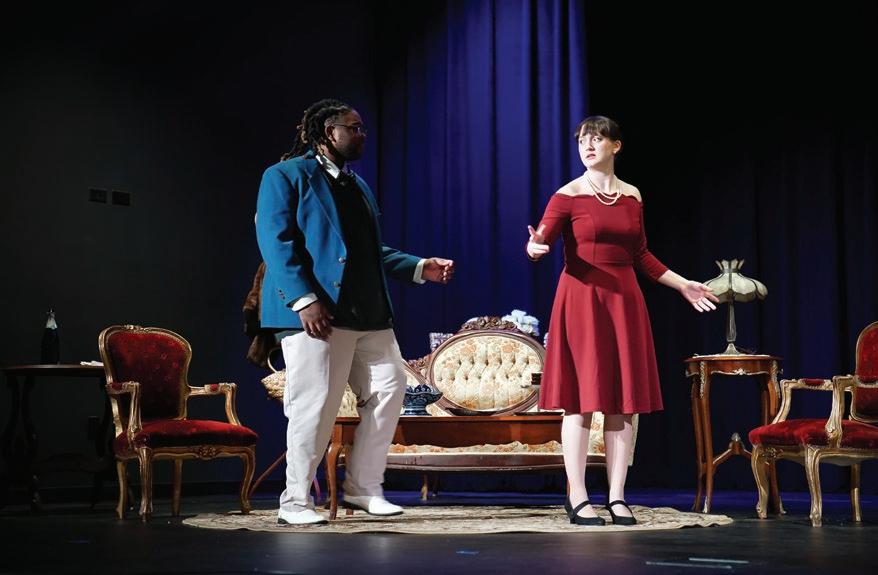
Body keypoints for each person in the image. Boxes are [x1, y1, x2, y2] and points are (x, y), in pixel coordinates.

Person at [256, 98, 454, 525]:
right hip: (318, 312)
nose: (362, 134)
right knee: (315, 406)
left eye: (362, 127)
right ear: (329, 133)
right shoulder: (286, 175)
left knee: (390, 389)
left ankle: (363, 489)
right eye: (354, 127)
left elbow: (365, 250)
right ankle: (295, 503)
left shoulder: (356, 184)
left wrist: (419, 266)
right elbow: (276, 241)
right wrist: (304, 299)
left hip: (368, 312)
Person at [525, 115, 718, 526]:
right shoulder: (567, 195)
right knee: (580, 401)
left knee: (622, 403)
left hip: (624, 301)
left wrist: (682, 284)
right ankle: (578, 496)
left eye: (597, 139)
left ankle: (616, 495)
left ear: (616, 146)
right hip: (582, 299)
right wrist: (534, 248)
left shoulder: (632, 196)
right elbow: (540, 239)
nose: (588, 146)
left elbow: (641, 255)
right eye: (582, 140)